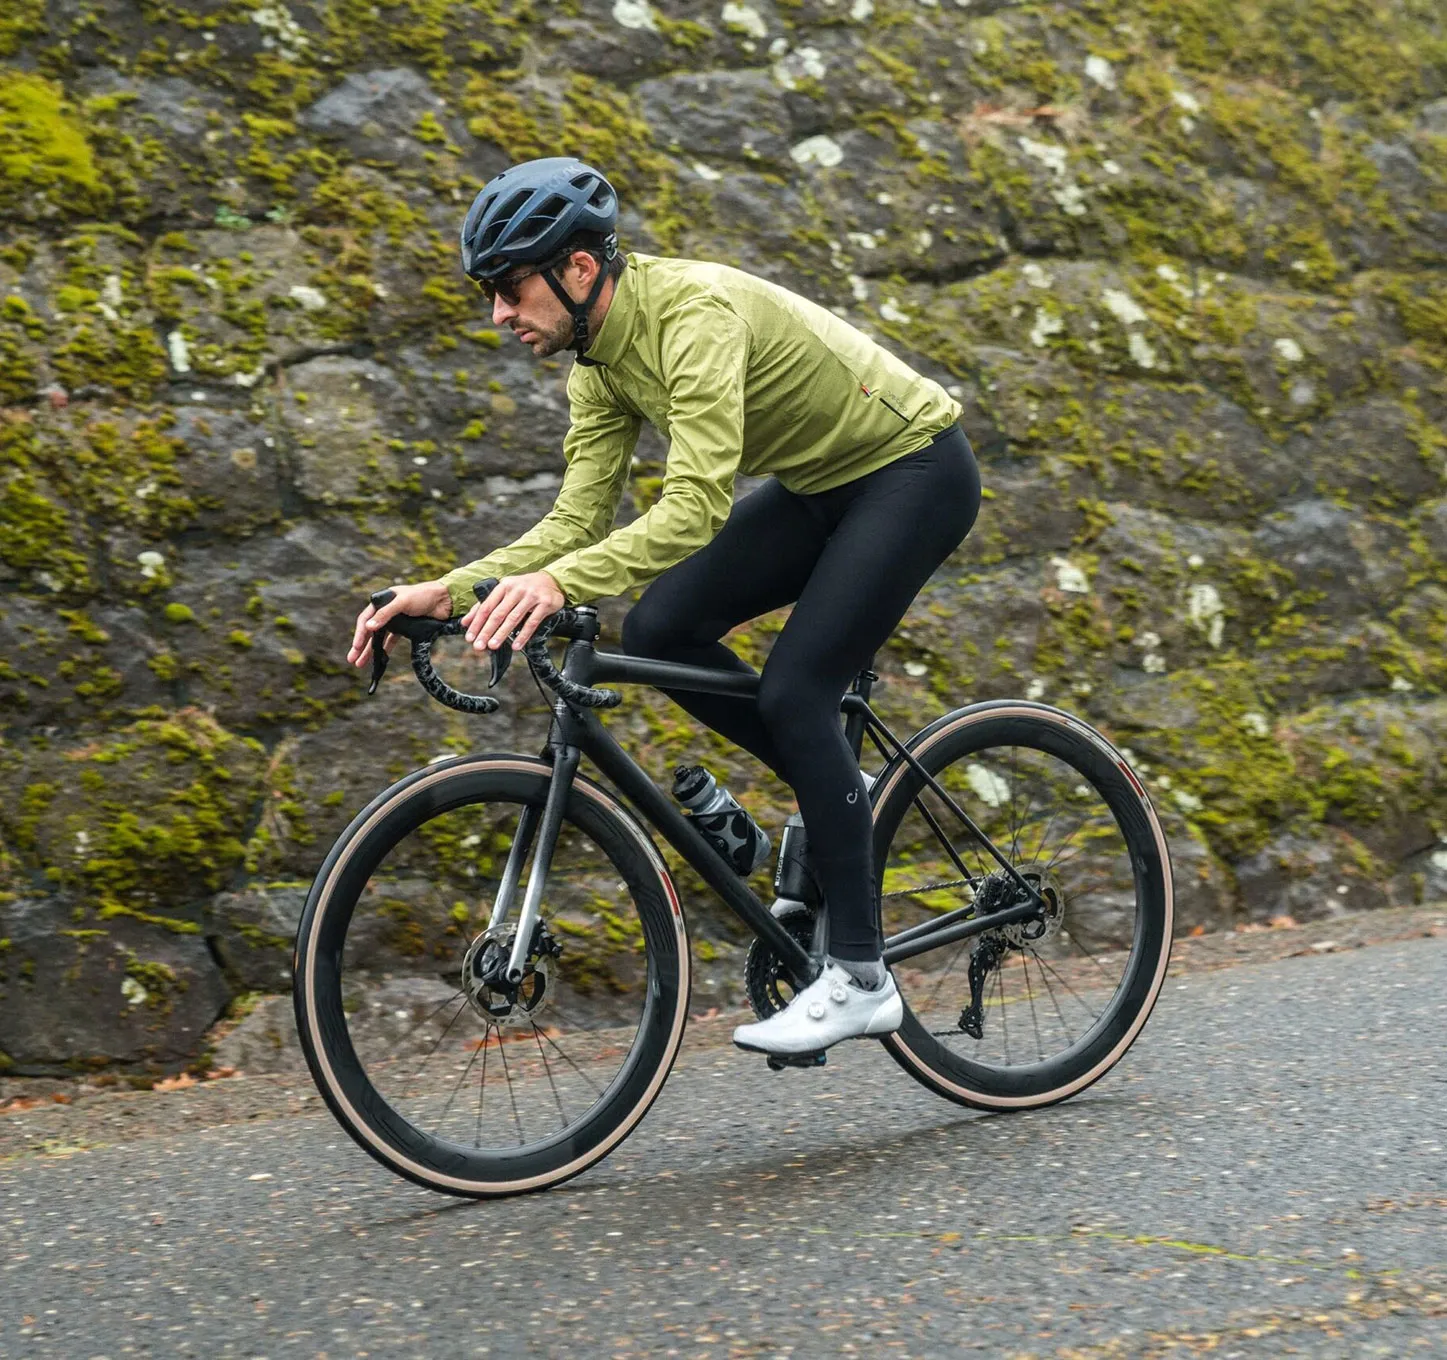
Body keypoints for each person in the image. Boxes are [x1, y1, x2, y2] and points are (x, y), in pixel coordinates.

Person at [347, 156, 981, 1057]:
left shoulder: (692, 315)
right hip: (820, 484)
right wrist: (449, 591)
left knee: (796, 692)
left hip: (912, 471)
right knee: (659, 629)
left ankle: (861, 977)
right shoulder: (598, 364)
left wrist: (559, 584)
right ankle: (842, 791)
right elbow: (575, 523)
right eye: (488, 293)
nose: (496, 314)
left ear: (577, 268)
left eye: (509, 288)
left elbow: (693, 508)